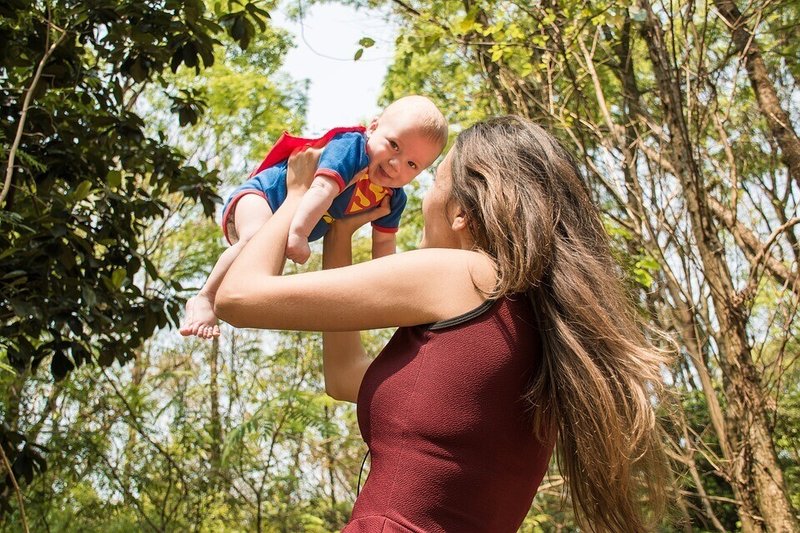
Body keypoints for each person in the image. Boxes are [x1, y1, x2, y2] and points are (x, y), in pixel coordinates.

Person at [214, 116, 671, 532]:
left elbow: (238, 298)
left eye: (433, 181)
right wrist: (341, 234)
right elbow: (344, 376)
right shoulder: (532, 323)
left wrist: (296, 195)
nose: (422, 198)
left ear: (461, 212)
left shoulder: (465, 275)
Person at [180, 95, 448, 339]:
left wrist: (393, 291)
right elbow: (322, 188)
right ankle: (205, 297)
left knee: (263, 277)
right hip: (264, 196)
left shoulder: (392, 198)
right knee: (254, 238)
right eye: (394, 146)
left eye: (412, 164)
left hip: (287, 223)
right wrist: (298, 233)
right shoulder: (352, 149)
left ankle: (224, 299)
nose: (395, 164)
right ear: (374, 127)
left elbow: (384, 246)